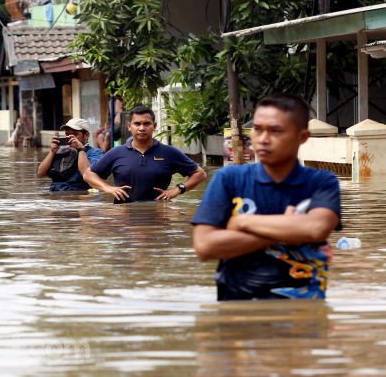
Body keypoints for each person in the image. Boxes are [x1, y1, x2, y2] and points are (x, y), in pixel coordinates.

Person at [192, 93, 341, 300]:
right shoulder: (229, 179)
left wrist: (242, 221)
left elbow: (316, 229)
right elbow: (205, 246)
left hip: (304, 316)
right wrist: (291, 228)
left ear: (302, 137)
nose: (263, 139)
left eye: (275, 131)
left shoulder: (321, 182)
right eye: (258, 129)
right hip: (237, 313)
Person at [83, 105, 207, 202]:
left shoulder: (169, 152)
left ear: (155, 126)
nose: (142, 128)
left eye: (146, 123)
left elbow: (200, 174)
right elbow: (88, 174)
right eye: (137, 124)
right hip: (123, 218)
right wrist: (108, 188)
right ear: (129, 126)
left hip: (158, 214)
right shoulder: (116, 153)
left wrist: (178, 189)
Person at [37, 118, 104, 191]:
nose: (70, 138)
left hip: (77, 194)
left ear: (86, 135)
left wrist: (81, 149)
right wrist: (52, 152)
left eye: (75, 134)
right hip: (55, 194)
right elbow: (40, 173)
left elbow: (88, 174)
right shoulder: (61, 152)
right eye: (67, 134)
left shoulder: (95, 153)